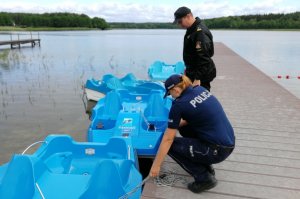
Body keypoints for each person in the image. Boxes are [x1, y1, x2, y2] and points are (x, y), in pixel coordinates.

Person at [149, 74, 235, 193]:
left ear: (175, 90)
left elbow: (168, 140)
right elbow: (195, 116)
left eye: (170, 94)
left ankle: (204, 178)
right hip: (229, 142)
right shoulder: (200, 89)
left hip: (216, 150)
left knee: (169, 145)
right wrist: (172, 125)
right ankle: (207, 167)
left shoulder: (179, 104)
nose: (171, 97)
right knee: (184, 128)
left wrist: (156, 166)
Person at [174, 6, 216, 91]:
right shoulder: (191, 29)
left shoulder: (200, 32)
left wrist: (197, 79)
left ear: (188, 16)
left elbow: (204, 58)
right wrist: (187, 70)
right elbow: (192, 54)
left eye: (180, 21)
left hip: (201, 76)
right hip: (193, 72)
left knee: (200, 100)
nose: (179, 24)